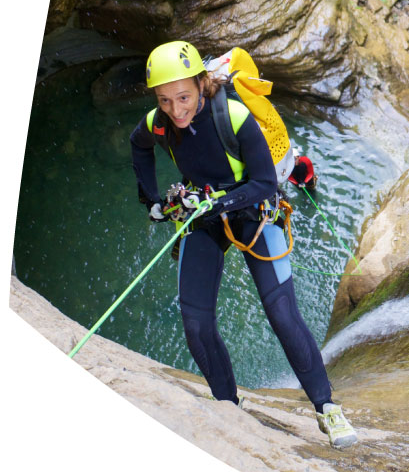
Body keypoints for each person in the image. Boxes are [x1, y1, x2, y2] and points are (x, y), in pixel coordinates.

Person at [129, 39, 358, 449]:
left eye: (183, 97)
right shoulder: (159, 123)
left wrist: (218, 202)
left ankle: (327, 409)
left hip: (253, 211)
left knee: (282, 314)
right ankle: (227, 407)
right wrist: (152, 202)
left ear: (202, 84)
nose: (176, 110)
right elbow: (138, 145)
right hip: (205, 216)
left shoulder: (233, 117)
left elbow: (264, 183)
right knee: (196, 324)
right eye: (164, 100)